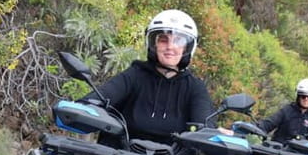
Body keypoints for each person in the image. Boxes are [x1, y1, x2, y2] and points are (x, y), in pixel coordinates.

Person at [83, 9, 214, 146]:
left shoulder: (195, 87)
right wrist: (86, 107)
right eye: (163, 40)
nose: (170, 46)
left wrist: (215, 134)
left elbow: (205, 128)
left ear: (187, 48)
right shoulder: (134, 74)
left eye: (178, 41)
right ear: (153, 44)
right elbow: (97, 99)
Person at [257, 78, 308, 150]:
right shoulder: (287, 110)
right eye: (303, 96)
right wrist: (257, 127)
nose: (306, 99)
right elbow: (269, 123)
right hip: (277, 150)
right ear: (298, 96)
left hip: (300, 154)